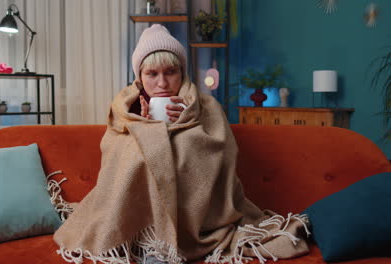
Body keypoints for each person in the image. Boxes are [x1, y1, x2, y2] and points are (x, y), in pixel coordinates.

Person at [53, 24, 310, 264]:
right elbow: (115, 155)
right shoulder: (124, 109)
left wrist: (188, 119)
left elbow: (218, 152)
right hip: (138, 218)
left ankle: (170, 244)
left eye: (170, 72)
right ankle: (147, 240)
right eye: (152, 74)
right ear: (140, 78)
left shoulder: (206, 106)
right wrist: (143, 126)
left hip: (202, 222)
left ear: (182, 72)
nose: (162, 83)